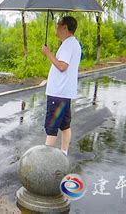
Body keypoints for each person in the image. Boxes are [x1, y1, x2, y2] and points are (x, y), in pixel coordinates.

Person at [41, 16, 82, 156]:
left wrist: (48, 53)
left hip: (58, 92)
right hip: (64, 92)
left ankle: (44, 161)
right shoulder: (73, 44)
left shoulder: (68, 45)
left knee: (51, 126)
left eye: (58, 25)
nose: (56, 27)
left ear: (65, 27)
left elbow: (62, 66)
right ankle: (63, 154)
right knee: (65, 125)